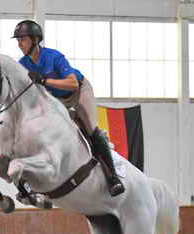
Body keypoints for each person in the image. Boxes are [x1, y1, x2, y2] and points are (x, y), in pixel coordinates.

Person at [12, 20, 125, 197]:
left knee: (91, 129)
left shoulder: (53, 56)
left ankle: (113, 178)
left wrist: (43, 80)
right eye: (17, 40)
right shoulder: (23, 63)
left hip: (79, 92)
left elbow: (72, 83)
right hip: (57, 100)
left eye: (23, 40)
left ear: (35, 39)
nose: (19, 44)